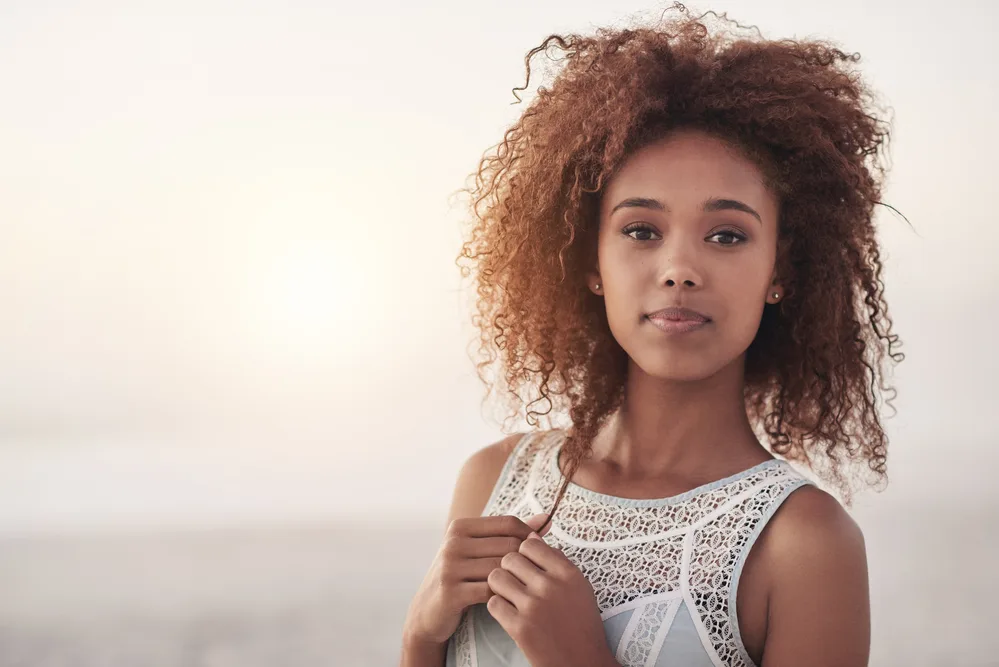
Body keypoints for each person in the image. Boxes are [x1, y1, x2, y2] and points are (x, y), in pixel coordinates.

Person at [401, 4, 904, 666]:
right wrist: (419, 634)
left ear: (780, 269)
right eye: (641, 230)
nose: (679, 270)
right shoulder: (492, 481)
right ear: (589, 261)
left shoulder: (803, 544)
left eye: (726, 235)